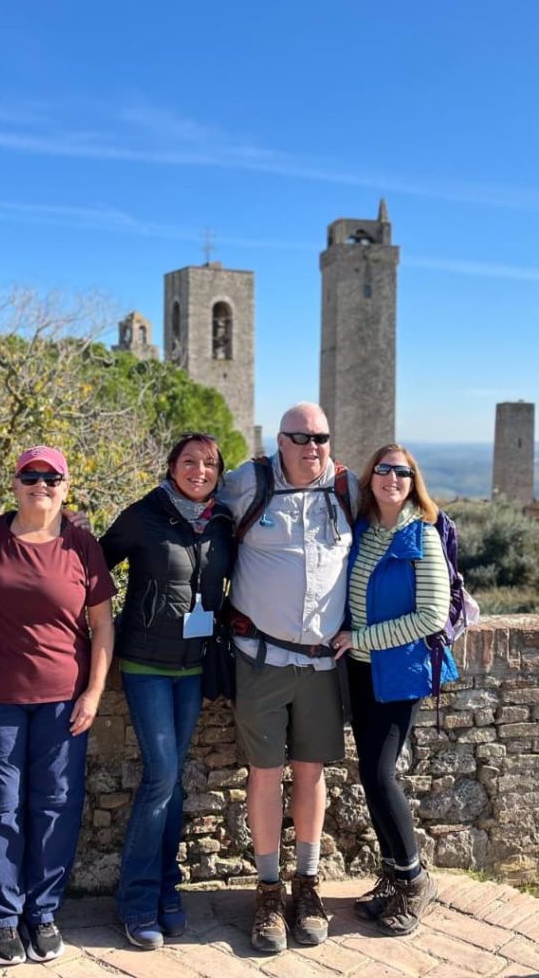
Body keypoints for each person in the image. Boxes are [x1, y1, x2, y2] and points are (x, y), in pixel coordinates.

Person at [0, 446, 115, 965]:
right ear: (15, 482)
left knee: (56, 807)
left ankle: (42, 913)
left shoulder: (82, 544)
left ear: (66, 487)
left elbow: (102, 626)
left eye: (52, 478)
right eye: (31, 475)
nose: (41, 484)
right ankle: (2, 919)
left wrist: (93, 691)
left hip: (63, 701)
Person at [221, 403, 358, 953]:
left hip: (323, 664)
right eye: (299, 436)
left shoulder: (349, 490)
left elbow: (403, 525)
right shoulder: (247, 482)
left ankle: (307, 885)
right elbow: (187, 506)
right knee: (263, 773)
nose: (311, 446)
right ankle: (268, 891)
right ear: (280, 440)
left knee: (310, 773)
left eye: (320, 436)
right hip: (260, 659)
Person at [100, 433, 234, 950]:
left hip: (195, 666)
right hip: (144, 663)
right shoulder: (144, 514)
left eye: (209, 464)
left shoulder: (222, 522)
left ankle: (166, 889)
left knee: (173, 780)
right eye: (189, 461)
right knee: (161, 774)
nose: (199, 470)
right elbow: (94, 571)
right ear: (172, 465)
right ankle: (136, 900)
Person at [331, 444, 451, 936]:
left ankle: (416, 879)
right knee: (368, 772)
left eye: (402, 472)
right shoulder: (363, 529)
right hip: (360, 670)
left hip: (400, 672)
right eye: (384, 470)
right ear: (371, 478)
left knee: (380, 774)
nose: (392, 478)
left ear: (412, 481)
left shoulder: (421, 536)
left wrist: (360, 639)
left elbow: (431, 617)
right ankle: (394, 877)